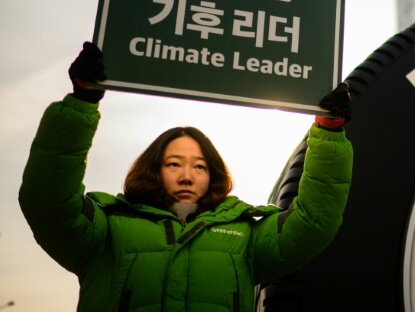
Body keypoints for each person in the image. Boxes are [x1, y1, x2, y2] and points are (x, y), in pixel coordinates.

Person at [19, 42, 353, 312]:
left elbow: (313, 222)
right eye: (174, 164)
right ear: (154, 169)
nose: (187, 176)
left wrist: (328, 133)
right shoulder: (106, 228)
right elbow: (48, 202)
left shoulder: (246, 235)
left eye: (199, 166)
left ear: (213, 175)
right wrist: (81, 102)